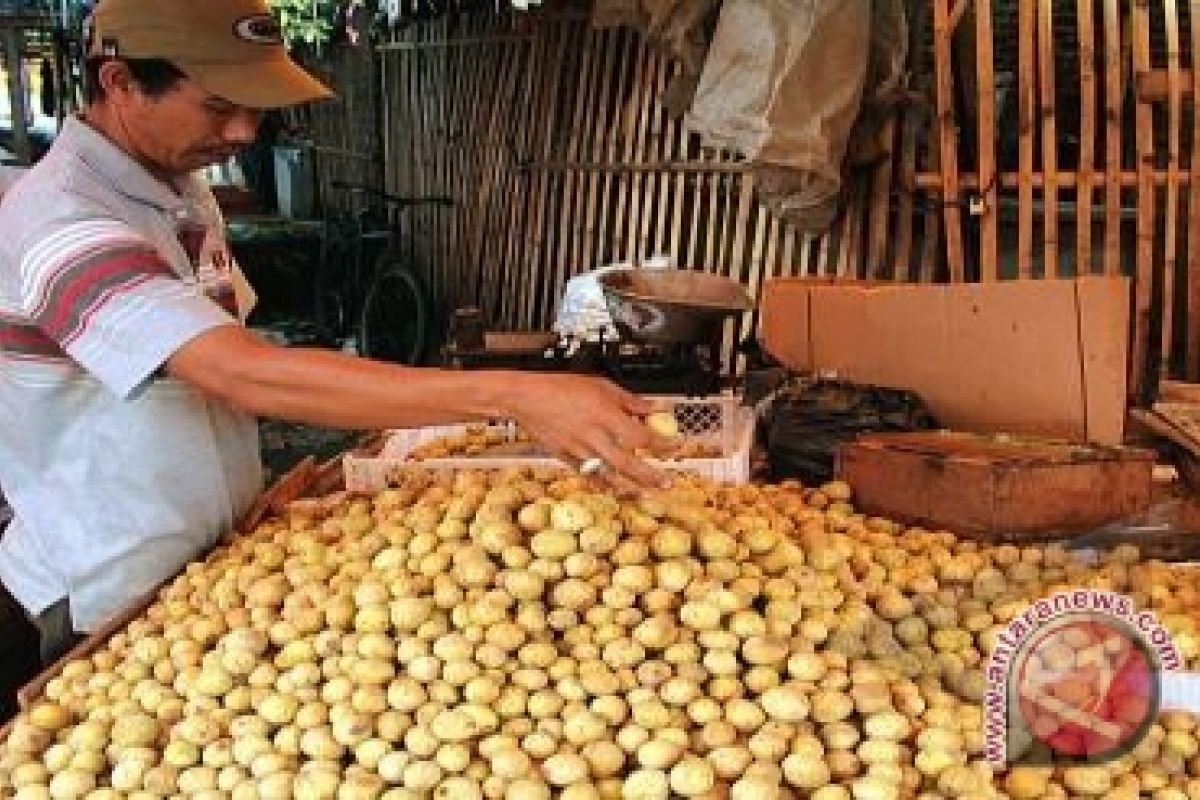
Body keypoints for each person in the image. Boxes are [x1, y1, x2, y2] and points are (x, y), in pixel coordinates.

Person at [0, 0, 666, 672]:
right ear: (119, 82)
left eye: (257, 107)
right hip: (106, 585)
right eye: (218, 105)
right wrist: (514, 394)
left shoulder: (178, 190)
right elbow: (243, 372)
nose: (243, 132)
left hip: (206, 567)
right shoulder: (64, 220)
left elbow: (234, 359)